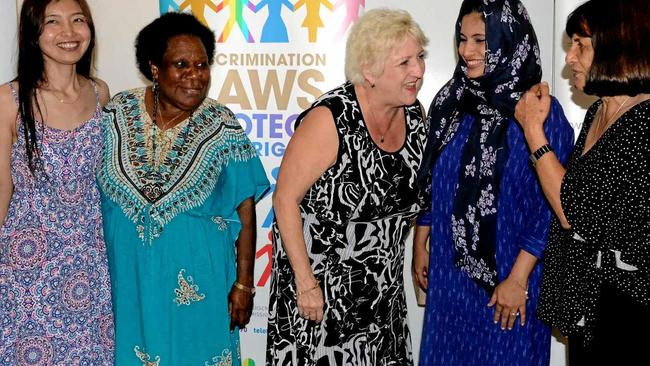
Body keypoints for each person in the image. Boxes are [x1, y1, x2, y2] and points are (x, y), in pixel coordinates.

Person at [97, 12, 269, 366]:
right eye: (181, 65)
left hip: (200, 286)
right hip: (129, 284)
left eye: (202, 65)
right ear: (155, 68)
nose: (195, 76)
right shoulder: (116, 112)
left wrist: (243, 285)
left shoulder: (221, 124)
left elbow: (245, 208)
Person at [413, 0, 575, 365]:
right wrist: (420, 240)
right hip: (450, 281)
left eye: (480, 40)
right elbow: (436, 180)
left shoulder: (540, 113)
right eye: (462, 38)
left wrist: (517, 279)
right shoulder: (452, 102)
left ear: (508, 40)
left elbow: (550, 208)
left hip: (510, 285)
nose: (465, 51)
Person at [266, 8, 429, 365]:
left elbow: (421, 199)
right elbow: (284, 199)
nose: (417, 70)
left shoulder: (416, 118)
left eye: (420, 58)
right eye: (404, 62)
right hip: (320, 298)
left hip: (383, 298)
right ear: (369, 70)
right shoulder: (331, 119)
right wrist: (306, 284)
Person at [516, 0, 650, 364]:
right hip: (588, 309)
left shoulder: (643, 124)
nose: (569, 59)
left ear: (616, 47)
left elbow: (572, 211)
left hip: (625, 308)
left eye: (581, 45)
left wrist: (533, 131)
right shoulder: (599, 110)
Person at [0, 0, 114, 364]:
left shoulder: (100, 93)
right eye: (53, 22)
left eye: (77, 20)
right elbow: (1, 186)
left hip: (92, 263)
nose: (68, 32)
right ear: (34, 34)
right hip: (28, 267)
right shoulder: (9, 100)